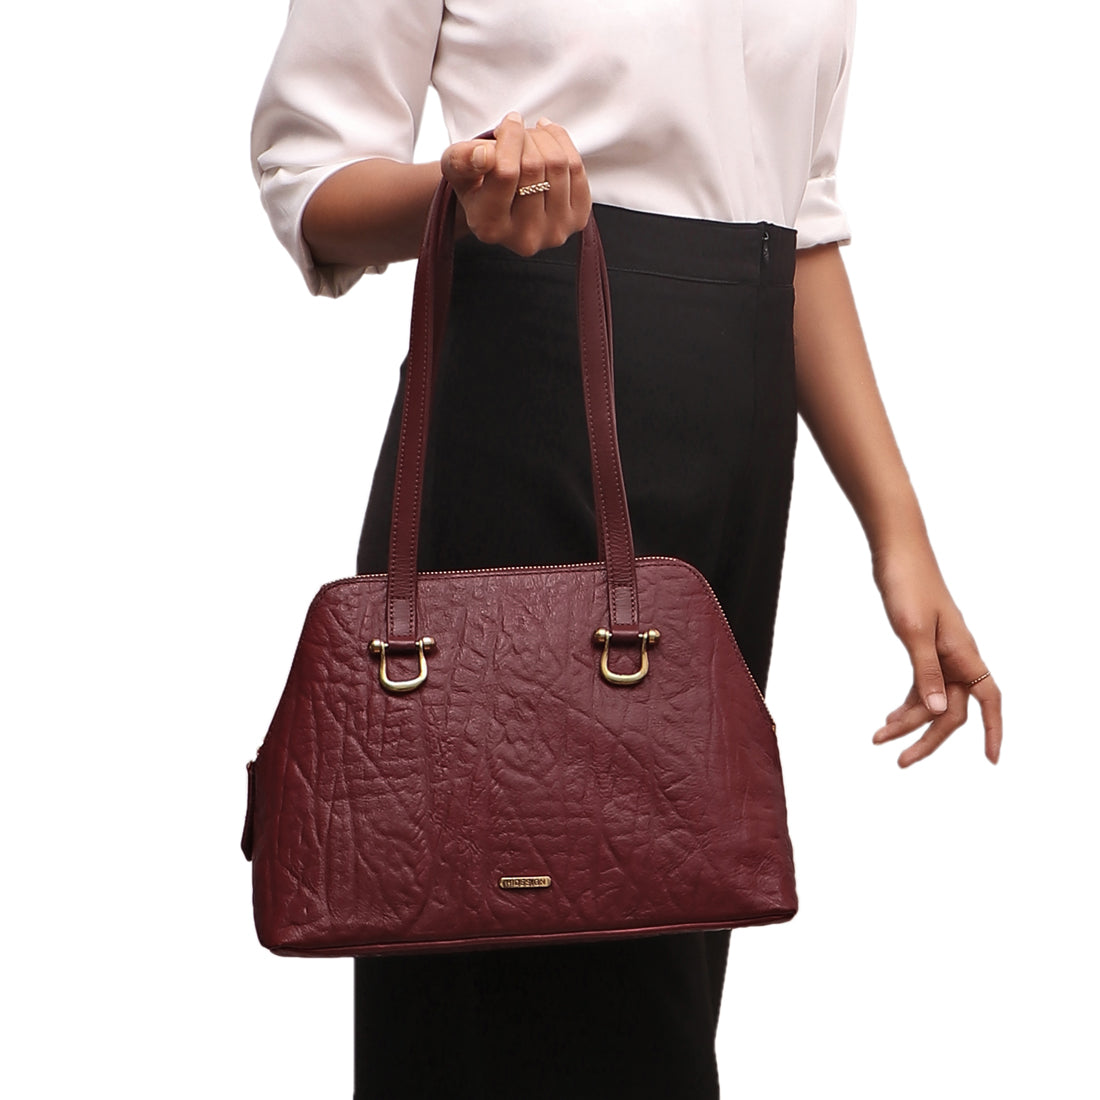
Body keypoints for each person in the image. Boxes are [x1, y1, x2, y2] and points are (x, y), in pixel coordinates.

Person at [251, 2, 1003, 1096]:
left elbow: (795, 223)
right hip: (530, 436)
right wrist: (463, 193)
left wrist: (900, 532)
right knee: (513, 987)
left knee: (660, 967)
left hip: (732, 482)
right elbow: (311, 178)